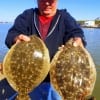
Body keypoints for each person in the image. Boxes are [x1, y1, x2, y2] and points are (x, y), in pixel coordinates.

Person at [1, 0, 87, 99]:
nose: (47, 3)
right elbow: (12, 34)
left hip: (57, 81)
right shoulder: (28, 15)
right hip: (31, 80)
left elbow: (76, 32)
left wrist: (78, 39)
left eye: (51, 1)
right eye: (43, 0)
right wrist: (16, 38)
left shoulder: (64, 17)